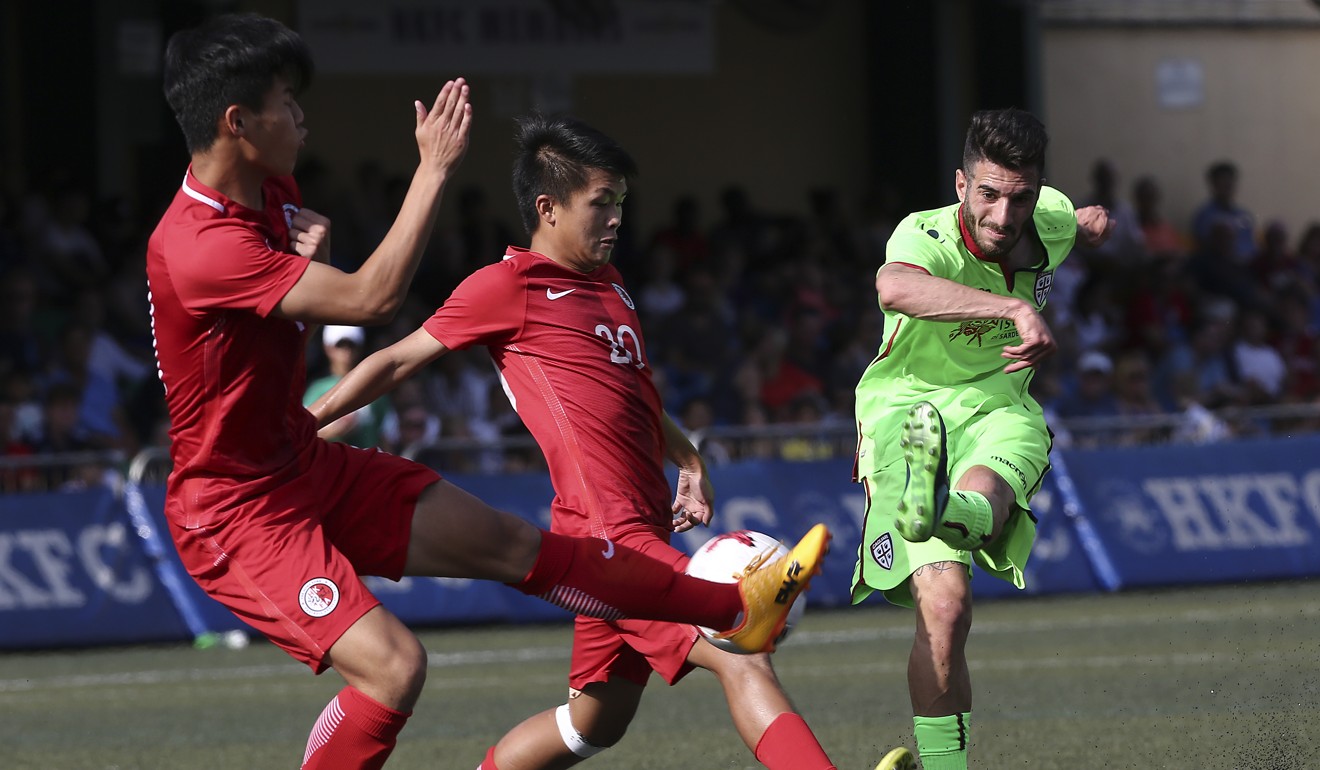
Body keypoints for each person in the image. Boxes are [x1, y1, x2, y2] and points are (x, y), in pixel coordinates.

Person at [147, 15, 827, 770]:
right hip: (236, 506)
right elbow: (374, 304)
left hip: (301, 467)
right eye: (287, 100)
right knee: (395, 667)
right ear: (237, 122)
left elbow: (260, 344)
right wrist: (434, 168)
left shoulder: (274, 193)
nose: (304, 115)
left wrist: (686, 452)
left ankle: (737, 606)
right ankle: (737, 610)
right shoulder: (196, 246)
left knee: (523, 565)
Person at [310, 114, 870, 770]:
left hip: (632, 529)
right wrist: (302, 424)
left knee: (595, 722)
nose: (616, 219)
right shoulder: (505, 287)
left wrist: (687, 460)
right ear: (547, 208)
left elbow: (638, 396)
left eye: (621, 204)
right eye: (600, 203)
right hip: (608, 539)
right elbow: (397, 361)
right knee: (743, 657)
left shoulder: (611, 287)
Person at [849, 108, 1112, 770]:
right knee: (945, 606)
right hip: (909, 415)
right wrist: (1014, 307)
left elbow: (1073, 221)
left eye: (1019, 197)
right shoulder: (926, 233)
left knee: (985, 501)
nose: (1002, 216)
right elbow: (894, 285)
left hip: (1000, 408)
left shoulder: (1045, 216)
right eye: (988, 194)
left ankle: (937, 509)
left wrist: (1092, 222)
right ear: (961, 184)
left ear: (1036, 191)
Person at [303, 324, 388, 448]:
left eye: (351, 345)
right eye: (340, 345)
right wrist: (332, 431)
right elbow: (301, 434)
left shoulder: (373, 387)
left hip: (366, 462)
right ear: (328, 348)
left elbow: (386, 436)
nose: (346, 351)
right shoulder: (316, 390)